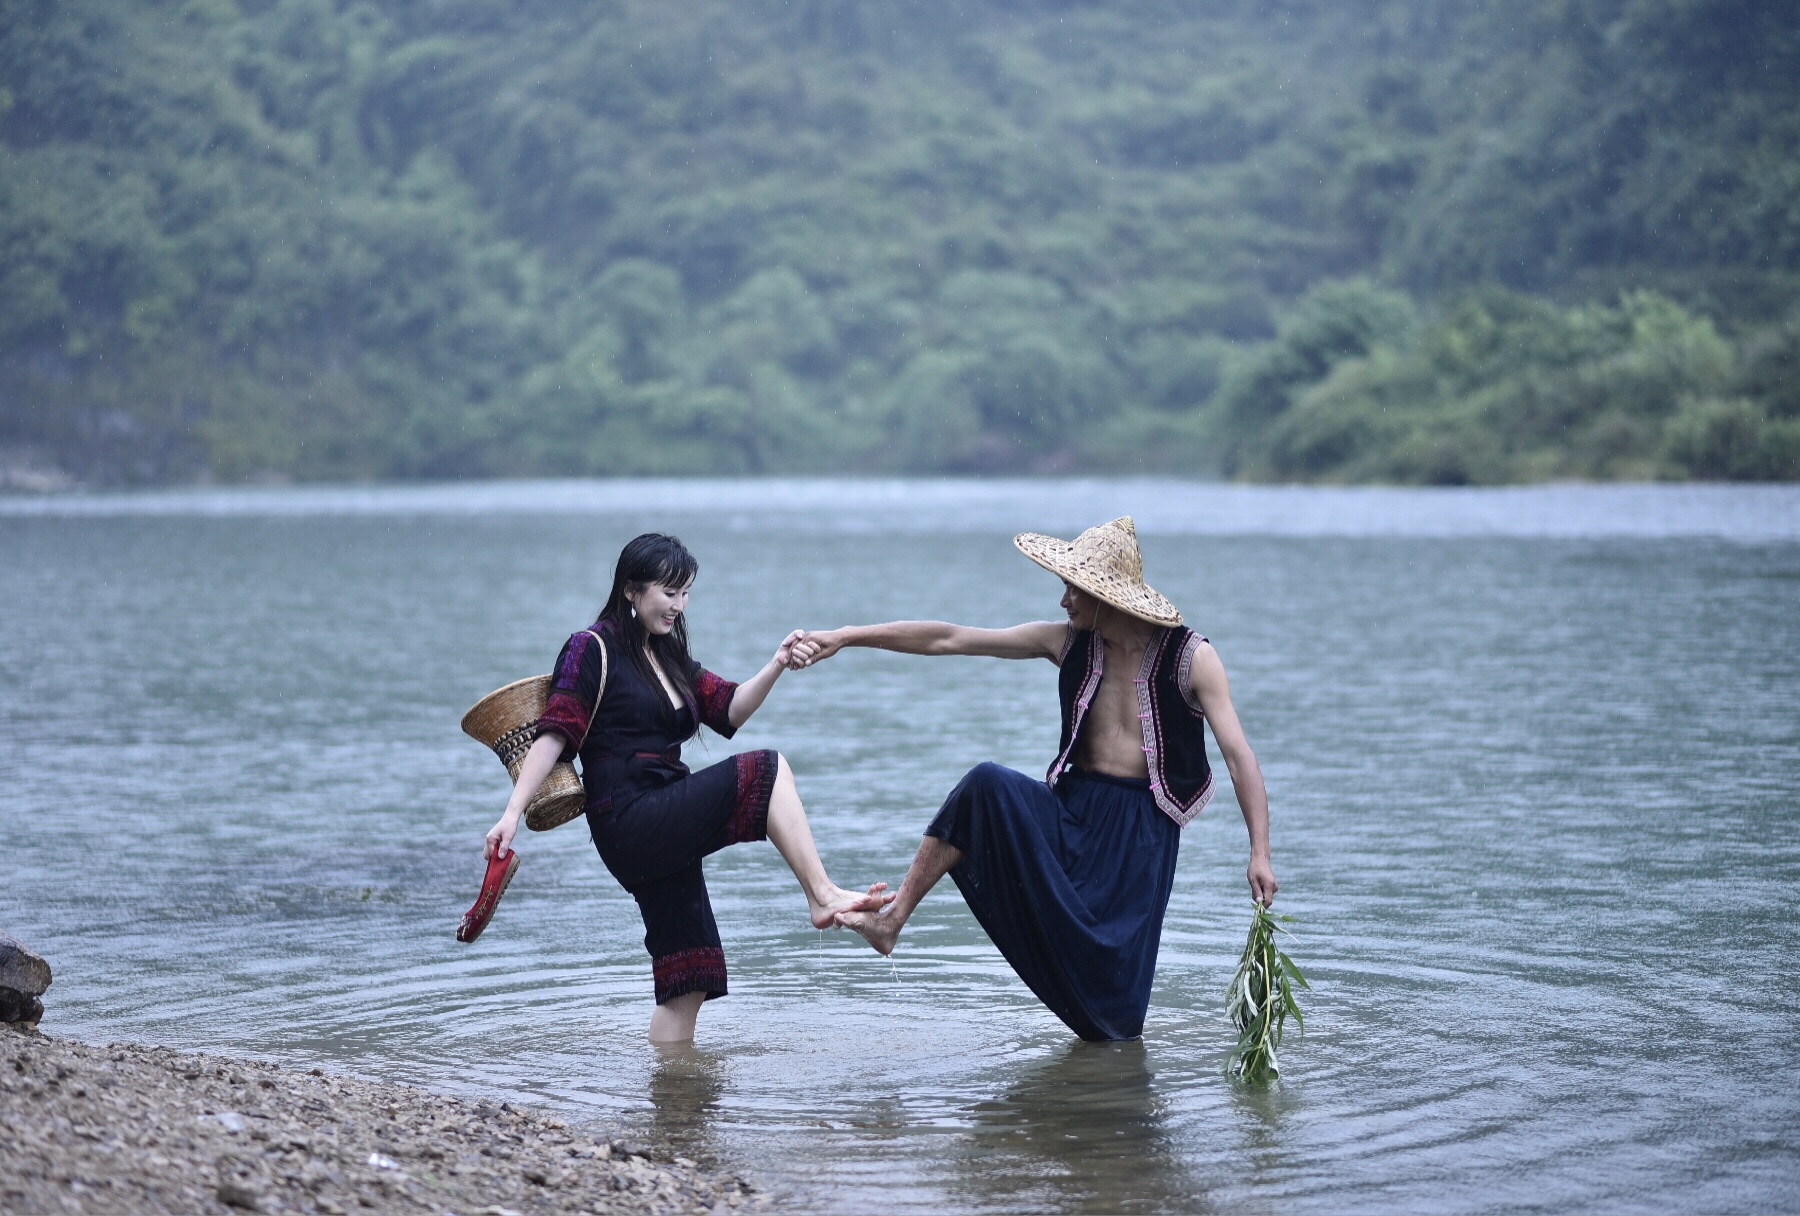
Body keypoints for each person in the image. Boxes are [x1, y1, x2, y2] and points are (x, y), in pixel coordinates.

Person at [791, 517, 1276, 1042]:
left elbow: (1239, 755)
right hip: (1071, 812)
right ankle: (891, 921)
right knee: (984, 787)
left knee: (1116, 1017)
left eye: (1072, 589)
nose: (1063, 601)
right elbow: (950, 639)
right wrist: (846, 637)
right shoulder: (1067, 644)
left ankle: (1107, 1081)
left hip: (1141, 836)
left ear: (1103, 596)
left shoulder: (1191, 658)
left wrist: (1259, 853)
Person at [486, 533, 890, 1043]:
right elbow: (555, 732)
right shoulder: (590, 647)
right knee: (765, 769)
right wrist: (511, 813)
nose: (678, 605)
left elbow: (731, 708)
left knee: (687, 979)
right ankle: (822, 895)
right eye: (668, 592)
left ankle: (673, 1109)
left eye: (685, 593)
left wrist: (778, 662)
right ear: (631, 591)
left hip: (665, 818)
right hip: (630, 819)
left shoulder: (668, 653)